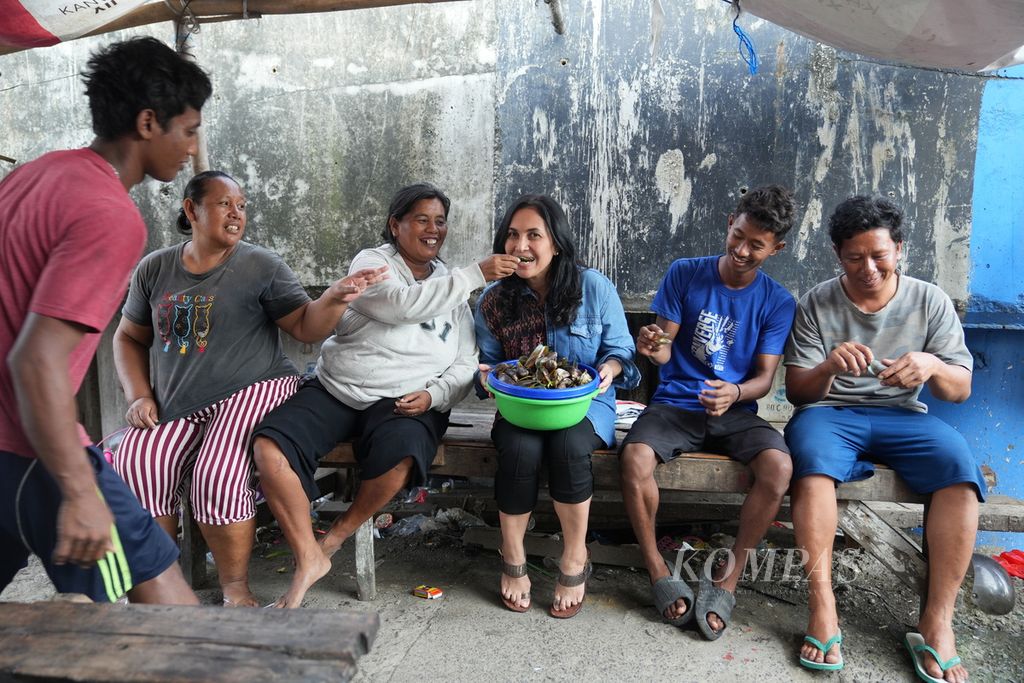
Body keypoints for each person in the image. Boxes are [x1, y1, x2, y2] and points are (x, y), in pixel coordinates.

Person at [110, 171, 387, 607]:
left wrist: (333, 298)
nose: (236, 214)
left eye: (241, 206)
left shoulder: (261, 265)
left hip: (256, 389)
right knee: (136, 460)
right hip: (178, 403)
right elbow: (127, 338)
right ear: (191, 210)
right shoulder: (155, 267)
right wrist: (138, 395)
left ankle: (234, 586)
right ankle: (157, 587)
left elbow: (303, 328)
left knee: (216, 474)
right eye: (224, 204)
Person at [0, 37, 211, 604]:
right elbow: (35, 358)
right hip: (31, 453)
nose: (193, 149)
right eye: (188, 130)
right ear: (148, 122)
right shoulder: (110, 215)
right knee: (172, 618)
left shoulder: (32, 177)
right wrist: (79, 490)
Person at [251, 182, 520, 608]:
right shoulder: (373, 264)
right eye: (421, 219)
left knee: (401, 456)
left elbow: (466, 362)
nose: (433, 229)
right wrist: (477, 274)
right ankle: (307, 554)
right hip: (340, 389)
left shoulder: (452, 288)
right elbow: (401, 306)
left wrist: (433, 396)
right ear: (396, 225)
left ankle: (334, 538)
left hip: (405, 401)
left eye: (440, 221)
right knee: (270, 447)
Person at [784, 195, 983, 681]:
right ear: (837, 254)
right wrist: (830, 365)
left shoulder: (930, 300)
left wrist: (934, 364)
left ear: (899, 249)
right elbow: (797, 393)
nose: (868, 268)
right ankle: (823, 607)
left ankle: (936, 621)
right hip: (831, 414)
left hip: (903, 415)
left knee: (959, 470)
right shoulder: (816, 302)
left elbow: (959, 390)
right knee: (811, 464)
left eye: (879, 255)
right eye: (855, 258)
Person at [620, 185, 797, 639]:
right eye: (737, 235)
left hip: (734, 410)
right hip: (676, 404)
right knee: (635, 457)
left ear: (776, 248)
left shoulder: (777, 301)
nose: (741, 250)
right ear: (729, 223)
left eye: (756, 245)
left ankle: (730, 577)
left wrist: (734, 393)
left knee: (778, 467)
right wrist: (651, 345)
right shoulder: (685, 274)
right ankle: (658, 569)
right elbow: (662, 352)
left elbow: (764, 378)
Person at [475, 194, 639, 618]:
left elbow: (623, 351)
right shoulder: (494, 300)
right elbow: (488, 363)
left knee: (567, 445)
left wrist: (612, 367)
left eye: (534, 235)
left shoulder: (594, 287)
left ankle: (574, 557)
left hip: (587, 405)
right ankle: (513, 557)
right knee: (520, 448)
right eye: (512, 235)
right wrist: (483, 376)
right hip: (521, 408)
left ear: (557, 242)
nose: (520, 246)